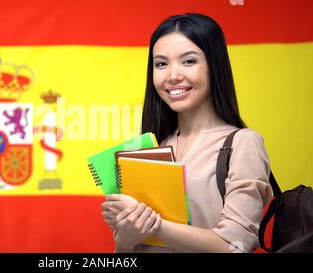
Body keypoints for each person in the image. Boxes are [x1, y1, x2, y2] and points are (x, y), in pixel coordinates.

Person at [101, 13, 273, 253]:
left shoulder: (243, 143)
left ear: (215, 66)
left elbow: (235, 246)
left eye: (189, 61)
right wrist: (127, 234)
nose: (172, 75)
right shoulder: (147, 148)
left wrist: (151, 223)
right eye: (161, 64)